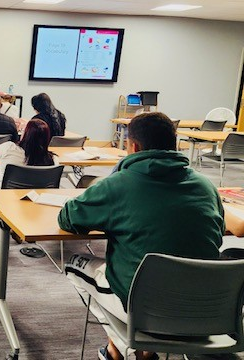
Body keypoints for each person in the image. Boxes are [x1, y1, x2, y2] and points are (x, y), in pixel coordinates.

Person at [57, 112, 224, 360]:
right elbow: (218, 235)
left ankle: (121, 346)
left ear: (132, 146)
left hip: (147, 307)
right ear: (175, 144)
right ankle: (142, 351)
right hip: (206, 306)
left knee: (73, 264)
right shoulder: (206, 186)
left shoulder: (117, 185)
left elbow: (67, 219)